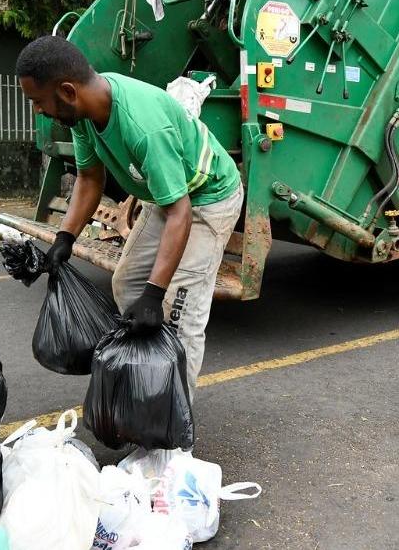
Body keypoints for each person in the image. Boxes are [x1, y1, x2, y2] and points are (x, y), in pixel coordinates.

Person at [15, 36, 244, 387]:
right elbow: (90, 179)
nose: (37, 110)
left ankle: (172, 434)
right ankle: (144, 389)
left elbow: (180, 213)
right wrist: (65, 239)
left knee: (178, 316)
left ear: (67, 91)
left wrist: (155, 295)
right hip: (165, 195)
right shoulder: (84, 116)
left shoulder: (143, 125)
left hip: (207, 197)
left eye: (37, 101)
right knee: (127, 284)